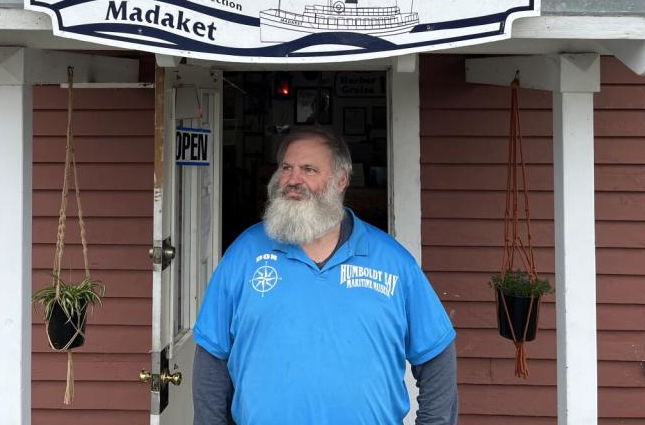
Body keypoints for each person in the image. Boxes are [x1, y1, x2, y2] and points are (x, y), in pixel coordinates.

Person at [193, 126, 458, 424]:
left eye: (308, 170)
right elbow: (212, 361)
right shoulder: (243, 254)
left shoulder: (392, 262)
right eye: (287, 168)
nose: (293, 180)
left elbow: (436, 358)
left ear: (341, 180)